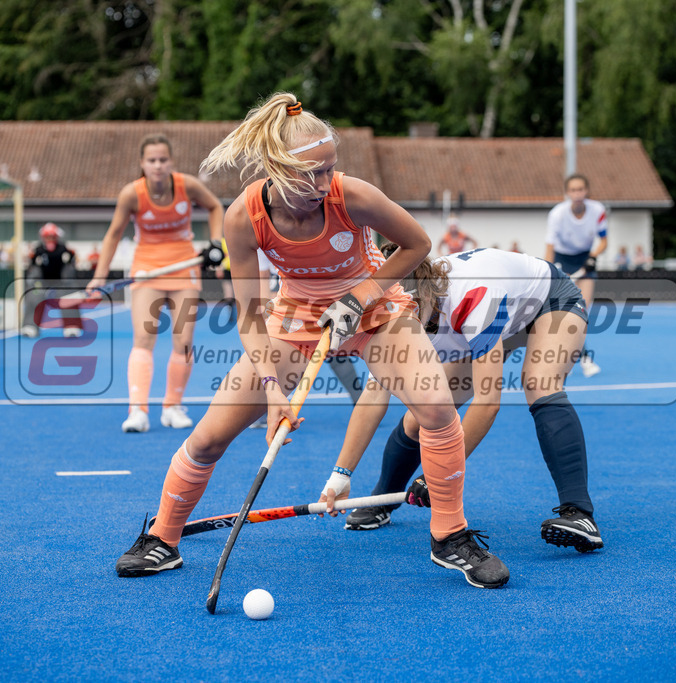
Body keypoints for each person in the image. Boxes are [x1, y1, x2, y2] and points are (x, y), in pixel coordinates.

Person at [114, 93, 509, 590]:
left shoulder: (352, 195)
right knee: (210, 435)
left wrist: (361, 296)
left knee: (435, 408)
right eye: (309, 175)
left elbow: (417, 245)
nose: (323, 184)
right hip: (293, 317)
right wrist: (273, 390)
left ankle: (449, 536)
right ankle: (163, 539)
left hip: (376, 312)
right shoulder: (244, 218)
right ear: (275, 170)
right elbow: (251, 315)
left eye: (329, 170)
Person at [327, 245, 603, 553]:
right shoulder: (394, 314)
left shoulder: (475, 298)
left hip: (549, 301)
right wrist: (340, 474)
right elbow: (373, 396)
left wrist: (438, 476)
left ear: (421, 299)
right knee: (423, 414)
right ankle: (385, 496)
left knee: (540, 382)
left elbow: (487, 402)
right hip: (492, 313)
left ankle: (580, 513)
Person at [86, 134, 225, 433]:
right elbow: (113, 235)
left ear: (170, 161)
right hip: (147, 269)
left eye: (163, 160)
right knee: (144, 339)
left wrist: (217, 243)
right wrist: (100, 274)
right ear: (142, 163)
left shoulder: (186, 185)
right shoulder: (132, 194)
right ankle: (138, 410)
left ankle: (173, 406)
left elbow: (215, 207)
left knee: (184, 342)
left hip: (184, 267)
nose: (158, 165)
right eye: (152, 160)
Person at [544, 174, 608, 378]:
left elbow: (604, 241)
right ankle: (583, 359)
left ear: (586, 191)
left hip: (585, 261)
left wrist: (593, 257)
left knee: (581, 314)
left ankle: (574, 358)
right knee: (565, 315)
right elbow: (550, 247)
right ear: (567, 193)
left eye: (581, 189)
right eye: (573, 190)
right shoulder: (557, 214)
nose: (577, 194)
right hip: (563, 260)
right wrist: (550, 270)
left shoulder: (597, 210)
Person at [20, 223, 82, 338]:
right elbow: (32, 267)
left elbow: (72, 263)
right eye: (47, 237)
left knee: (69, 297)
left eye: (52, 237)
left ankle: (71, 326)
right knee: (34, 295)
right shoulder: (38, 250)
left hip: (61, 282)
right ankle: (30, 326)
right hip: (42, 282)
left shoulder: (63, 249)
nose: (50, 239)